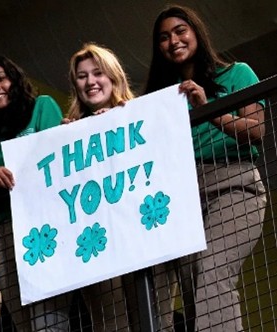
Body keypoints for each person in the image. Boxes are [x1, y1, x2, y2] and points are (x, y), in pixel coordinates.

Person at [144, 5, 266, 331]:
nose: (173, 41)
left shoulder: (236, 73)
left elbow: (257, 130)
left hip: (234, 186)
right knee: (194, 291)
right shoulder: (161, 97)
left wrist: (208, 109)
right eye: (164, 37)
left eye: (180, 31)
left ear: (196, 31)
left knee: (213, 274)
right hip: (184, 198)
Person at [0, 55, 69, 332]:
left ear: (14, 80)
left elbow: (56, 158)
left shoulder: (41, 107)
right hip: (5, 232)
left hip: (45, 226)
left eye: (1, 78)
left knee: (49, 321)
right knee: (23, 322)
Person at [67, 43, 137, 332]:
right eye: (82, 76)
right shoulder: (66, 132)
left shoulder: (140, 115)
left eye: (98, 73)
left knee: (157, 318)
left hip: (141, 232)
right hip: (96, 242)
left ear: (113, 76)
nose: (90, 82)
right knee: (110, 324)